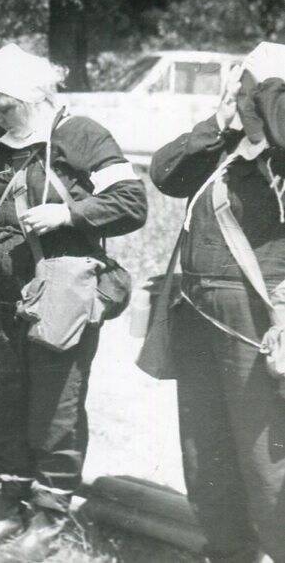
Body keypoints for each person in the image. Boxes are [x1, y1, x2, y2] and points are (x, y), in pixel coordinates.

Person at [0, 44, 147, 559]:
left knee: (56, 403)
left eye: (3, 105)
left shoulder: (81, 135)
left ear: (32, 95)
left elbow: (131, 202)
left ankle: (51, 514)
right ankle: (11, 502)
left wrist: (67, 215)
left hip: (61, 293)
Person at [147, 42, 285, 563]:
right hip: (197, 313)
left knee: (264, 454)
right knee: (205, 449)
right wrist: (221, 119)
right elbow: (165, 173)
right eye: (241, 90)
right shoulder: (227, 152)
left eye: (255, 94)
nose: (246, 100)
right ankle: (230, 552)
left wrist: (269, 80)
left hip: (256, 316)